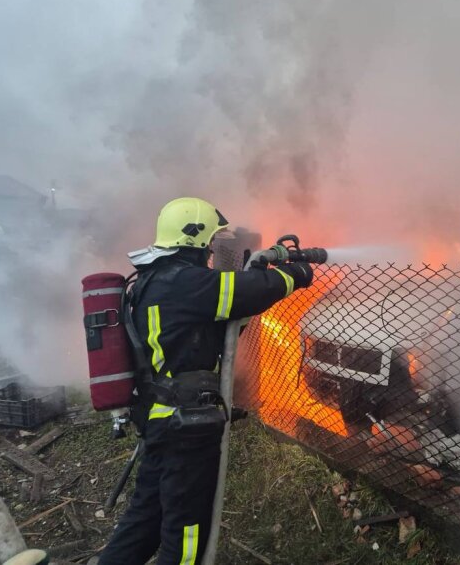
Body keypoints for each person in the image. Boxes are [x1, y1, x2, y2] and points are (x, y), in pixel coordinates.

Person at [99, 197, 312, 565]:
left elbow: (221, 322)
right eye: (210, 241)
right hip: (185, 430)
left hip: (161, 419)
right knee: (186, 533)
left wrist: (262, 263)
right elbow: (246, 292)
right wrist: (295, 275)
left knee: (144, 521)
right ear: (194, 238)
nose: (212, 251)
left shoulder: (153, 281)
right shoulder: (185, 283)